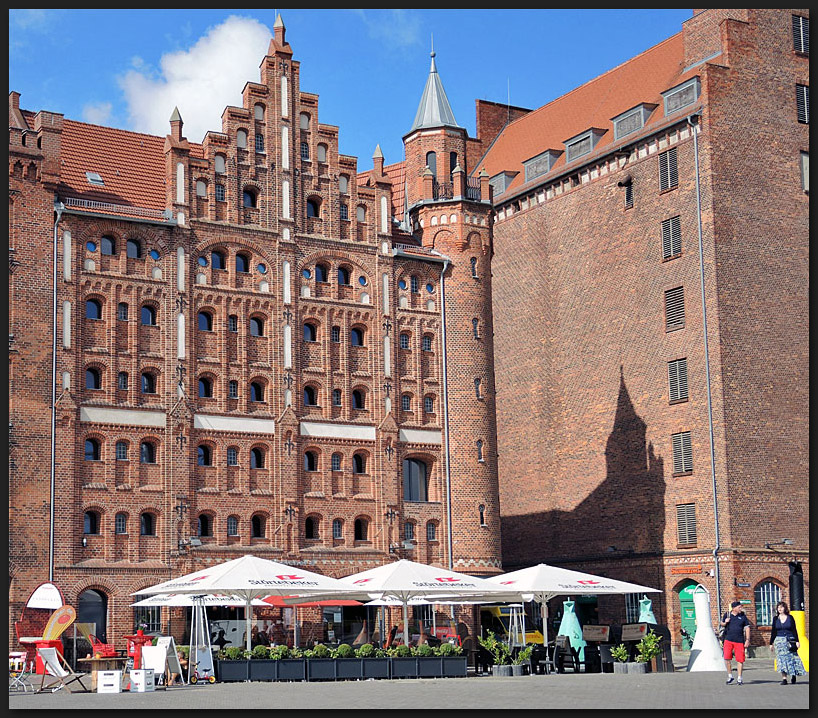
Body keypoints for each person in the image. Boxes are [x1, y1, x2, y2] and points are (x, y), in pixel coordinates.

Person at [769, 600, 806, 684]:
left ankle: (793, 675)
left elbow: (794, 630)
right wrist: (771, 643)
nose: (779, 609)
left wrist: (797, 641)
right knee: (781, 659)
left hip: (790, 641)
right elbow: (773, 631)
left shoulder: (790, 618)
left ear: (785, 608)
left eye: (781, 607)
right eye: (778, 607)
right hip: (779, 641)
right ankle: (784, 678)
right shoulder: (775, 619)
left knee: (792, 658)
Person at [721, 600, 751, 685]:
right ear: (734, 608)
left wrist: (747, 640)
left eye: (741, 607)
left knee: (740, 659)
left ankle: (739, 678)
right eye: (739, 607)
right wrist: (725, 622)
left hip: (739, 640)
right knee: (727, 658)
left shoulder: (743, 616)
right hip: (728, 639)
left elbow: (747, 628)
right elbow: (722, 624)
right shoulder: (727, 615)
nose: (741, 608)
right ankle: (730, 676)